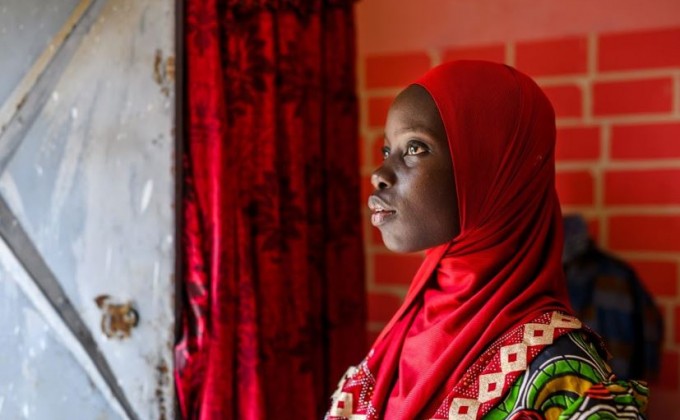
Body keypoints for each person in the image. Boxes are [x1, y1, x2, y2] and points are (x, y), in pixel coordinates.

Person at [326, 61, 648, 419]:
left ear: (490, 169)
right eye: (387, 151)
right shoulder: (412, 325)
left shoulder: (561, 375)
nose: (379, 175)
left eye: (415, 148)